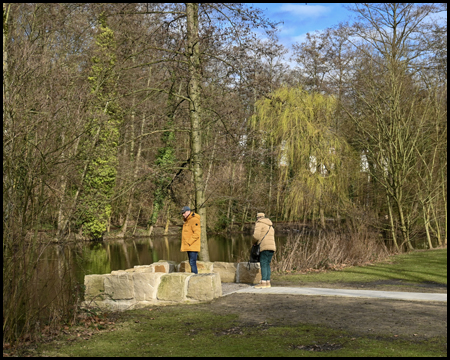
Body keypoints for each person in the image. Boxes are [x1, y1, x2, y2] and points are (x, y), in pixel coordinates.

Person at [252, 212, 276, 289]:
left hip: (264, 246)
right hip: (272, 247)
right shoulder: (270, 226)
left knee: (263, 263)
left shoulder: (259, 223)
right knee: (267, 264)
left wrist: (253, 242)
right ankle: (268, 282)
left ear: (258, 218)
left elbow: (256, 236)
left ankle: (263, 283)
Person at [180, 206, 201, 274]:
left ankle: (195, 277)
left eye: (184, 213)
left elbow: (197, 234)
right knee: (191, 262)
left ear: (189, 211)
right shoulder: (187, 221)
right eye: (182, 213)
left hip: (193, 246)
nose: (183, 214)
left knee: (192, 262)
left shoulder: (194, 220)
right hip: (189, 246)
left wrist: (189, 242)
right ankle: (194, 277)